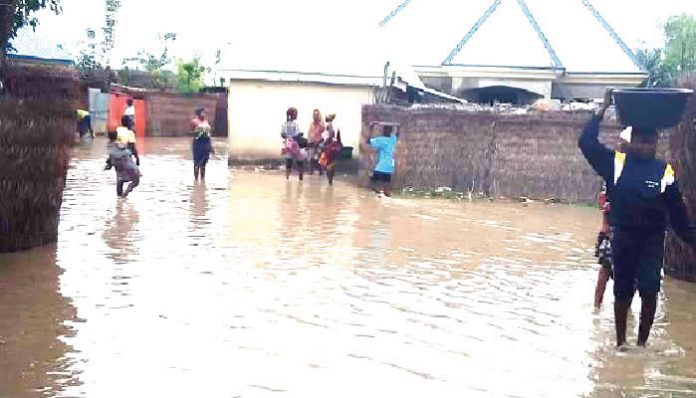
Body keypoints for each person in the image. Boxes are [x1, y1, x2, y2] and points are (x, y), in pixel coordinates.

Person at [579, 88, 696, 349]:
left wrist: (691, 237)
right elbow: (586, 144)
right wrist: (602, 108)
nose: (647, 145)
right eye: (642, 140)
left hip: (653, 240)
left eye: (651, 141)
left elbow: (677, 214)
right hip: (623, 237)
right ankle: (621, 343)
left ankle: (641, 344)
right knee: (622, 291)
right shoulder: (616, 163)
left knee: (650, 290)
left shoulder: (663, 171)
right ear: (630, 142)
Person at [594, 128, 631, 310]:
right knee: (606, 269)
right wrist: (605, 226)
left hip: (631, 229)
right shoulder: (613, 170)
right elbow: (604, 201)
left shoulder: (638, 169)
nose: (622, 147)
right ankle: (596, 307)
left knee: (629, 274)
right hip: (613, 228)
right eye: (621, 144)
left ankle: (624, 310)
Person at [366, 122, 399, 197]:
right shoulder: (392, 139)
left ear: (383, 130)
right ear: (391, 131)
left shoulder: (381, 140)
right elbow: (397, 134)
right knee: (386, 188)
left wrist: (371, 128)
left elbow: (368, 141)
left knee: (374, 183)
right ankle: (386, 197)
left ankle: (378, 197)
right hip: (389, 167)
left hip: (381, 167)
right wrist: (397, 127)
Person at [104, 131, 141, 197]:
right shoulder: (120, 144)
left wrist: (108, 164)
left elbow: (111, 155)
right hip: (127, 164)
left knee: (120, 181)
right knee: (136, 180)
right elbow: (127, 150)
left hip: (117, 165)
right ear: (117, 136)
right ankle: (128, 190)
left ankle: (119, 199)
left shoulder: (109, 145)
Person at [281, 107, 306, 181]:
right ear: (292, 115)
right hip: (293, 144)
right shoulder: (292, 124)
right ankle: (300, 179)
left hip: (289, 144)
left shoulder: (286, 124)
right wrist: (296, 136)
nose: (297, 115)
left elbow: (282, 134)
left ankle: (287, 179)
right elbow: (284, 134)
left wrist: (288, 137)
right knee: (299, 162)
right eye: (296, 114)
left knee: (289, 162)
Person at [191, 108, 214, 180]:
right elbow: (191, 132)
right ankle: (196, 180)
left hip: (206, 142)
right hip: (198, 143)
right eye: (202, 113)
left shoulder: (206, 122)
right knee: (197, 162)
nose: (204, 114)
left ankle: (203, 180)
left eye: (204, 113)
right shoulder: (194, 122)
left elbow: (209, 134)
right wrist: (199, 132)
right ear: (198, 113)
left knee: (204, 161)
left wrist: (211, 147)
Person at [307, 109, 326, 175]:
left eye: (317, 115)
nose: (315, 116)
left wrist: (320, 121)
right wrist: (309, 143)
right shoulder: (311, 124)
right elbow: (309, 134)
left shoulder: (321, 124)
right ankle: (310, 172)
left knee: (320, 157)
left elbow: (324, 133)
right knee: (310, 158)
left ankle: (321, 171)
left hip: (319, 142)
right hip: (312, 143)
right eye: (314, 115)